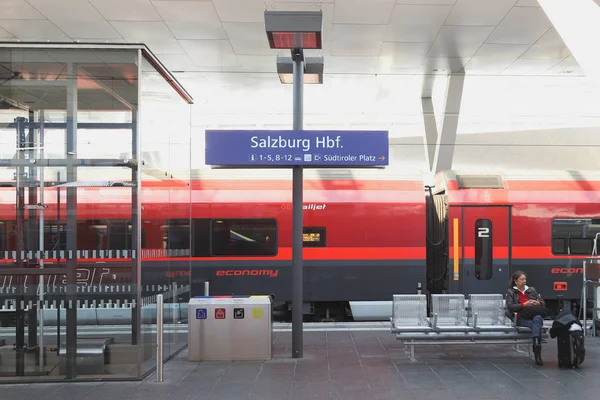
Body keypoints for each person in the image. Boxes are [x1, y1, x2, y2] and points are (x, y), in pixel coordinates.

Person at [505, 271, 546, 366]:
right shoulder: (511, 292)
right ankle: (537, 349)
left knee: (537, 318)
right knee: (538, 323)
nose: (524, 281)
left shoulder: (531, 290)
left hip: (533, 315)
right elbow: (510, 307)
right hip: (521, 318)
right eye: (522, 279)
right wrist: (524, 304)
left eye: (525, 279)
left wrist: (538, 303)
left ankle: (536, 343)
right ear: (516, 281)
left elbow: (543, 302)